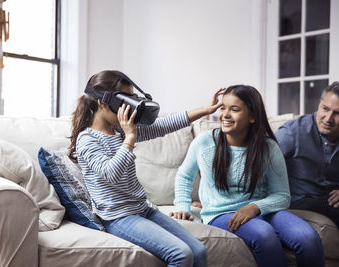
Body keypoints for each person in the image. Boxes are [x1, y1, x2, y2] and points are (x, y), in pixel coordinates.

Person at [68, 70, 224, 267]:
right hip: (119, 217)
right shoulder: (88, 139)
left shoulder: (118, 130)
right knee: (181, 254)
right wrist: (130, 138)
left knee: (199, 251)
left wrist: (205, 110)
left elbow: (164, 125)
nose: (130, 107)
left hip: (143, 209)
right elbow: (110, 174)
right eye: (124, 101)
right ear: (103, 102)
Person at [170, 85, 325, 267]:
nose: (225, 114)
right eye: (223, 108)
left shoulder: (268, 148)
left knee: (308, 238)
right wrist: (183, 206)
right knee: (264, 234)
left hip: (262, 210)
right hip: (220, 213)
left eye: (234, 109)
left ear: (252, 116)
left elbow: (282, 196)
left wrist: (253, 208)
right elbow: (184, 176)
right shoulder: (204, 142)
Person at [275, 81, 339, 228]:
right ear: (319, 104)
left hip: (330, 199)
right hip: (298, 200)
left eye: (337, 113)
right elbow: (261, 163)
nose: (328, 118)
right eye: (325, 109)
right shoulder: (292, 132)